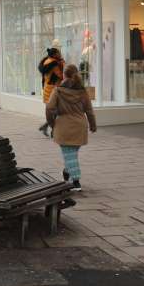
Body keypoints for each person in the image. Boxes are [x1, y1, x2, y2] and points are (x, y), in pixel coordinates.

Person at [45, 64, 95, 192]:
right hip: (80, 126)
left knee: (70, 155)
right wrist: (93, 125)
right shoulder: (82, 91)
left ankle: (76, 182)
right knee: (71, 154)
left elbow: (49, 108)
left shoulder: (58, 90)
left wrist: (51, 124)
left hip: (63, 127)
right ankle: (66, 173)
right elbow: (89, 110)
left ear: (64, 75)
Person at [37, 45, 64, 136]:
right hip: (53, 89)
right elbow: (61, 76)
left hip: (47, 88)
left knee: (53, 111)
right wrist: (62, 64)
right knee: (56, 111)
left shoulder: (47, 62)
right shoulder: (54, 64)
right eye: (59, 53)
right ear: (55, 54)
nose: (60, 54)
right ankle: (53, 129)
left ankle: (47, 127)